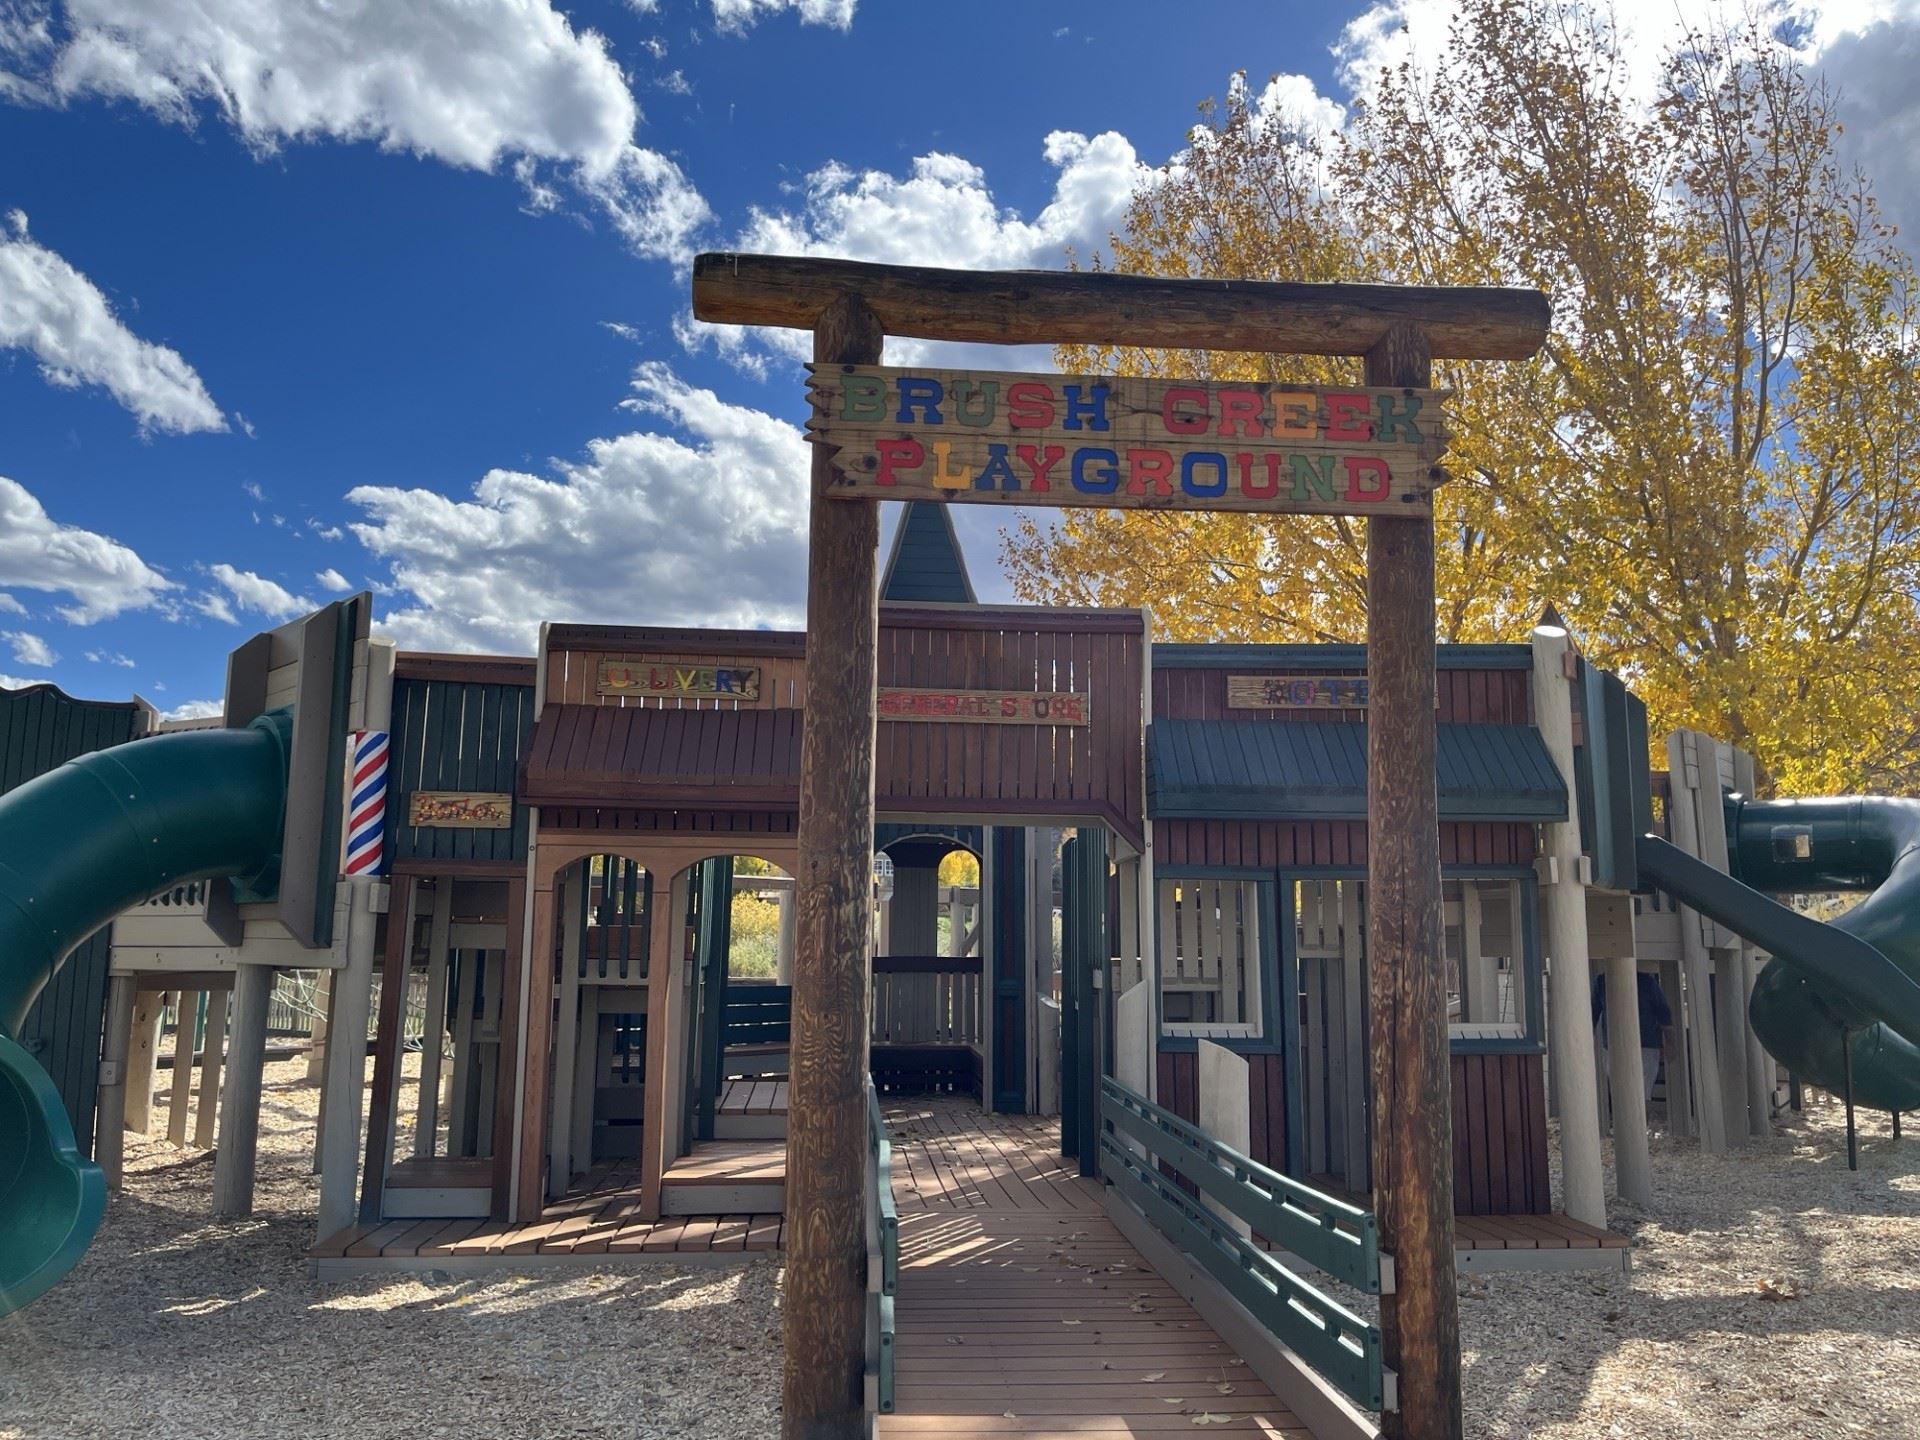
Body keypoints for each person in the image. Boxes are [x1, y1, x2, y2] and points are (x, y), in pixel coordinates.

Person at [1592, 970, 1673, 1116]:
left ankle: (1638, 1129)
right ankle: (1632, 1129)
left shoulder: (1647, 982)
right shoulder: (1601, 982)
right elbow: (1664, 1014)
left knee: (1640, 1093)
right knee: (1625, 1092)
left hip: (1644, 1045)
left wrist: (1670, 1043)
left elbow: (1664, 1014)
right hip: (1619, 1045)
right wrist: (1670, 1042)